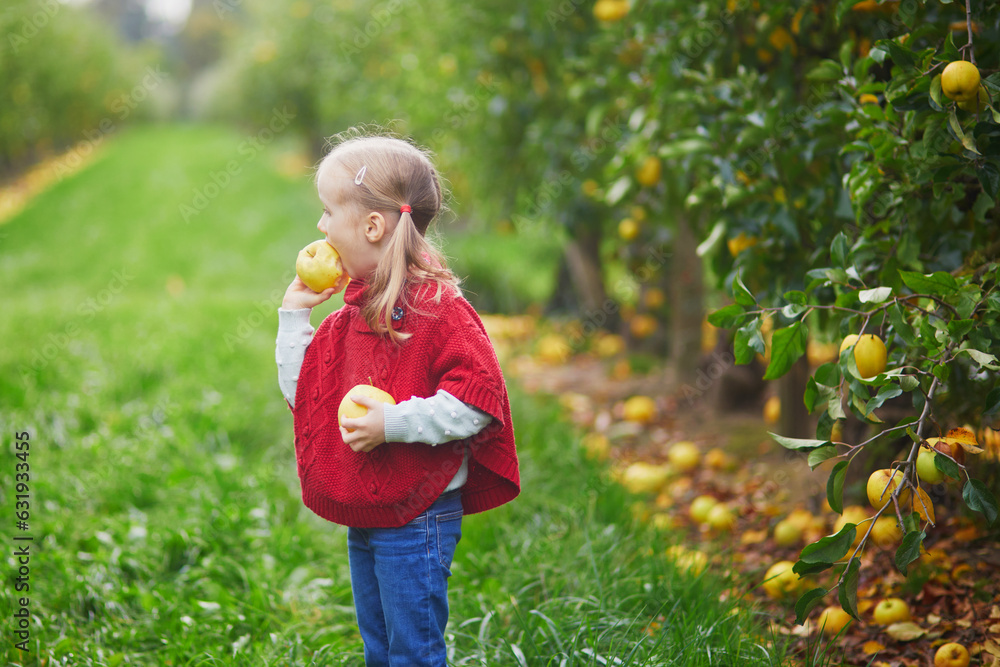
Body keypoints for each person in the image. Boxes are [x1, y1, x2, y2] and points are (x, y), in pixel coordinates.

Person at [275, 130, 520, 665]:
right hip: (370, 511)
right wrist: (295, 316)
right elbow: (306, 396)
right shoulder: (351, 317)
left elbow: (478, 400)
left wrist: (394, 423)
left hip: (420, 514)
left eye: (326, 211)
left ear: (371, 225)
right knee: (379, 648)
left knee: (412, 651)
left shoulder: (441, 312)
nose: (319, 227)